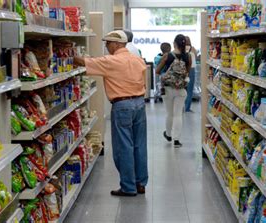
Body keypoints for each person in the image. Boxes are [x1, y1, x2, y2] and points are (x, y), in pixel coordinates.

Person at [73, 30, 148, 197]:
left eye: (107, 43)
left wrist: (67, 55)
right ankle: (140, 183)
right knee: (139, 145)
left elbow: (83, 62)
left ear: (115, 44)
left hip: (122, 106)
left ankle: (128, 187)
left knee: (124, 147)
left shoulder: (110, 61)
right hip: (139, 104)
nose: (106, 47)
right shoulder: (138, 59)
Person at [155, 34, 191, 148]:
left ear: (174, 43)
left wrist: (165, 73)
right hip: (181, 89)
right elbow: (187, 73)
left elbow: (157, 71)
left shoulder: (167, 56)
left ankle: (169, 135)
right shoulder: (188, 57)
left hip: (167, 88)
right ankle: (176, 140)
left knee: (169, 113)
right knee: (178, 114)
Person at [184, 36, 197, 112]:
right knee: (190, 90)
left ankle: (181, 107)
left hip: (183, 69)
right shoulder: (193, 49)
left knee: (183, 89)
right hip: (191, 69)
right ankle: (187, 108)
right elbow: (196, 56)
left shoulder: (181, 49)